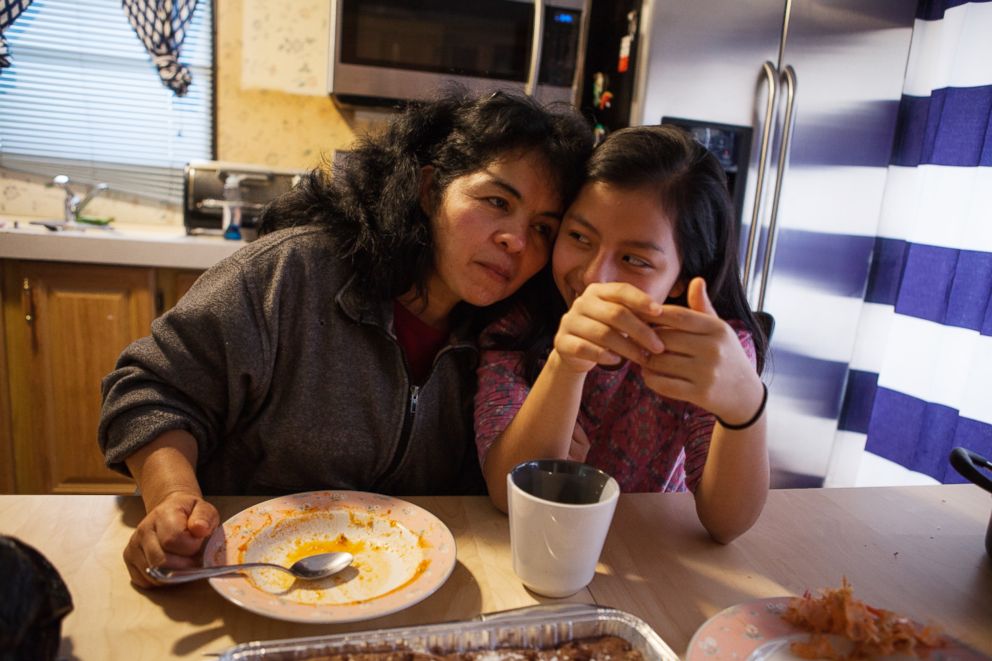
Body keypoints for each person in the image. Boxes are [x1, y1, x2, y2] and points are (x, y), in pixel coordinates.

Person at [99, 88, 593, 587]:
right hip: (241, 574)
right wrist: (172, 499)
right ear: (428, 190)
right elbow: (150, 389)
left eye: (544, 229)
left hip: (405, 589)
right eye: (495, 201)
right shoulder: (292, 273)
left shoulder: (513, 341)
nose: (516, 240)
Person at [475, 124, 769, 543]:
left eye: (634, 259)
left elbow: (727, 524)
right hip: (538, 550)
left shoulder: (704, 350)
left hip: (649, 551)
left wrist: (746, 406)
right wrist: (565, 364)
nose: (596, 277)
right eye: (579, 237)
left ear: (682, 277)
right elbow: (509, 494)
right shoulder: (518, 325)